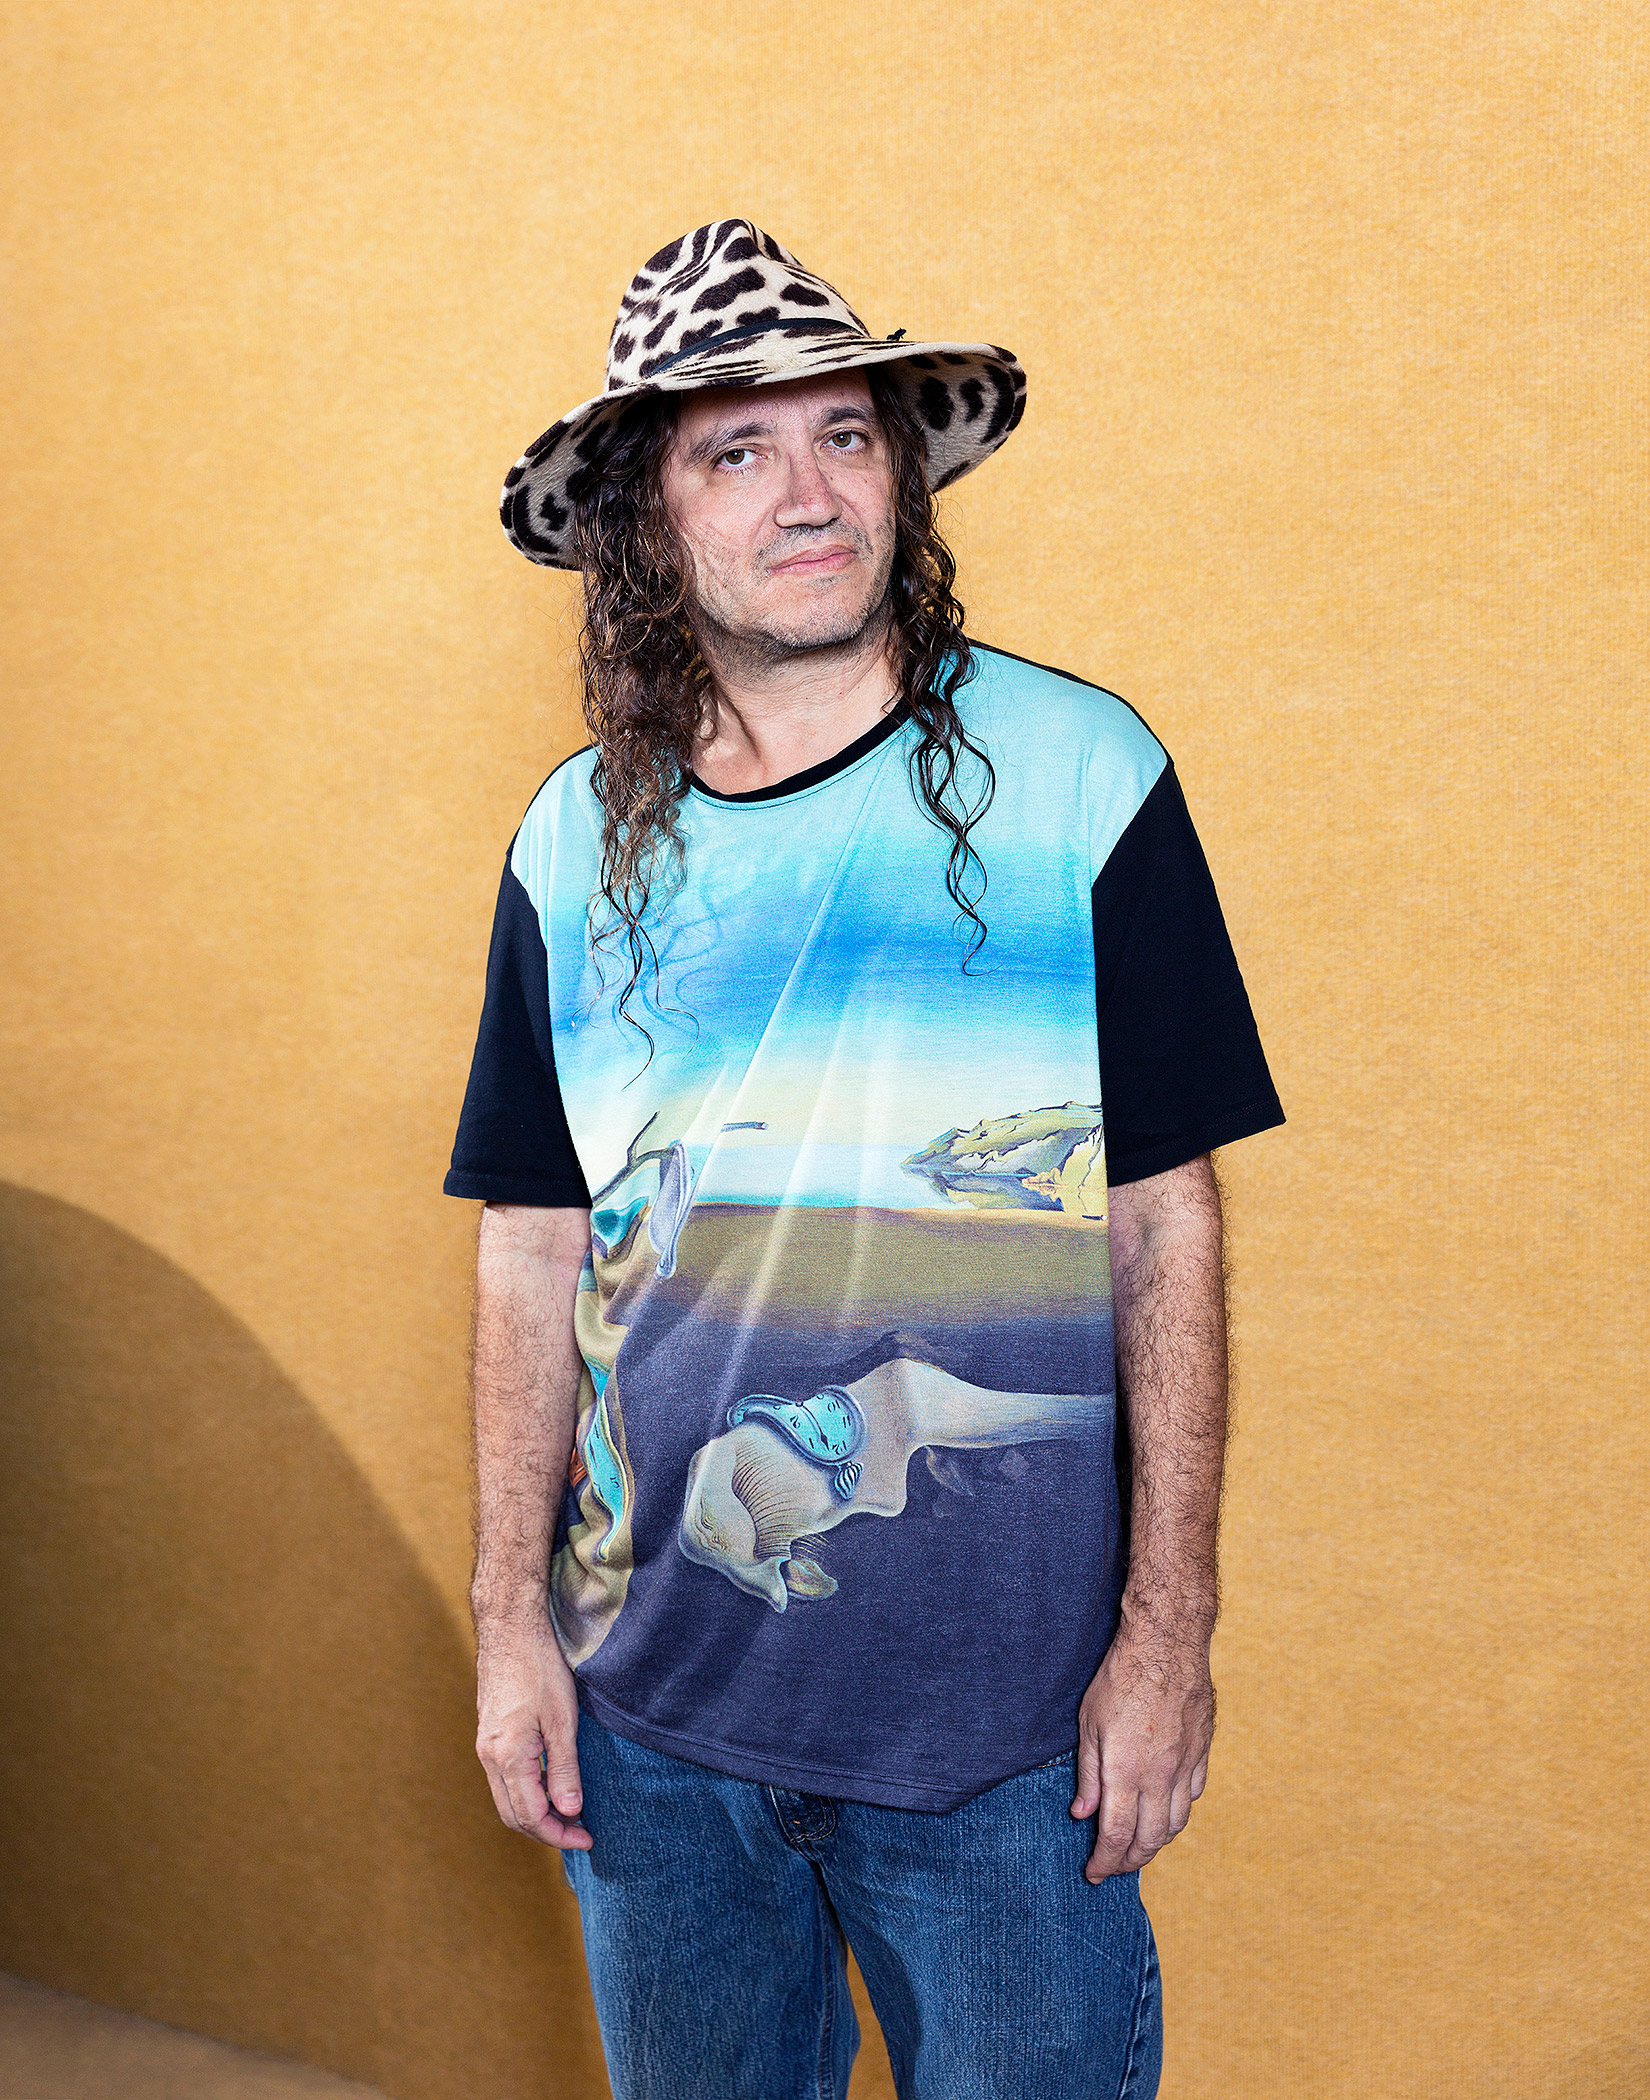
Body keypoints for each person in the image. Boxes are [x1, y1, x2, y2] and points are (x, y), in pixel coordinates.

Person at [446, 218, 1283, 2100]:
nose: (808, 492)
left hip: (1002, 1730)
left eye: (843, 433)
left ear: (902, 470)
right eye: (734, 451)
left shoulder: (1079, 775)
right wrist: (510, 1628)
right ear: (648, 521)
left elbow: (1162, 1221)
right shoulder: (572, 840)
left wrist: (1166, 1639)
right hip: (647, 1714)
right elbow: (530, 1240)